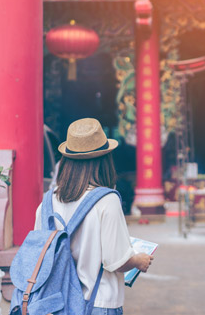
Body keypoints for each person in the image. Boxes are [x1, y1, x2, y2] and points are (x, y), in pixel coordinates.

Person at [34, 118, 153, 313]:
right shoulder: (107, 201)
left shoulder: (47, 203)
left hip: (56, 304)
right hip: (97, 303)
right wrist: (139, 260)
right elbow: (118, 261)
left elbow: (40, 254)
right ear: (104, 160)